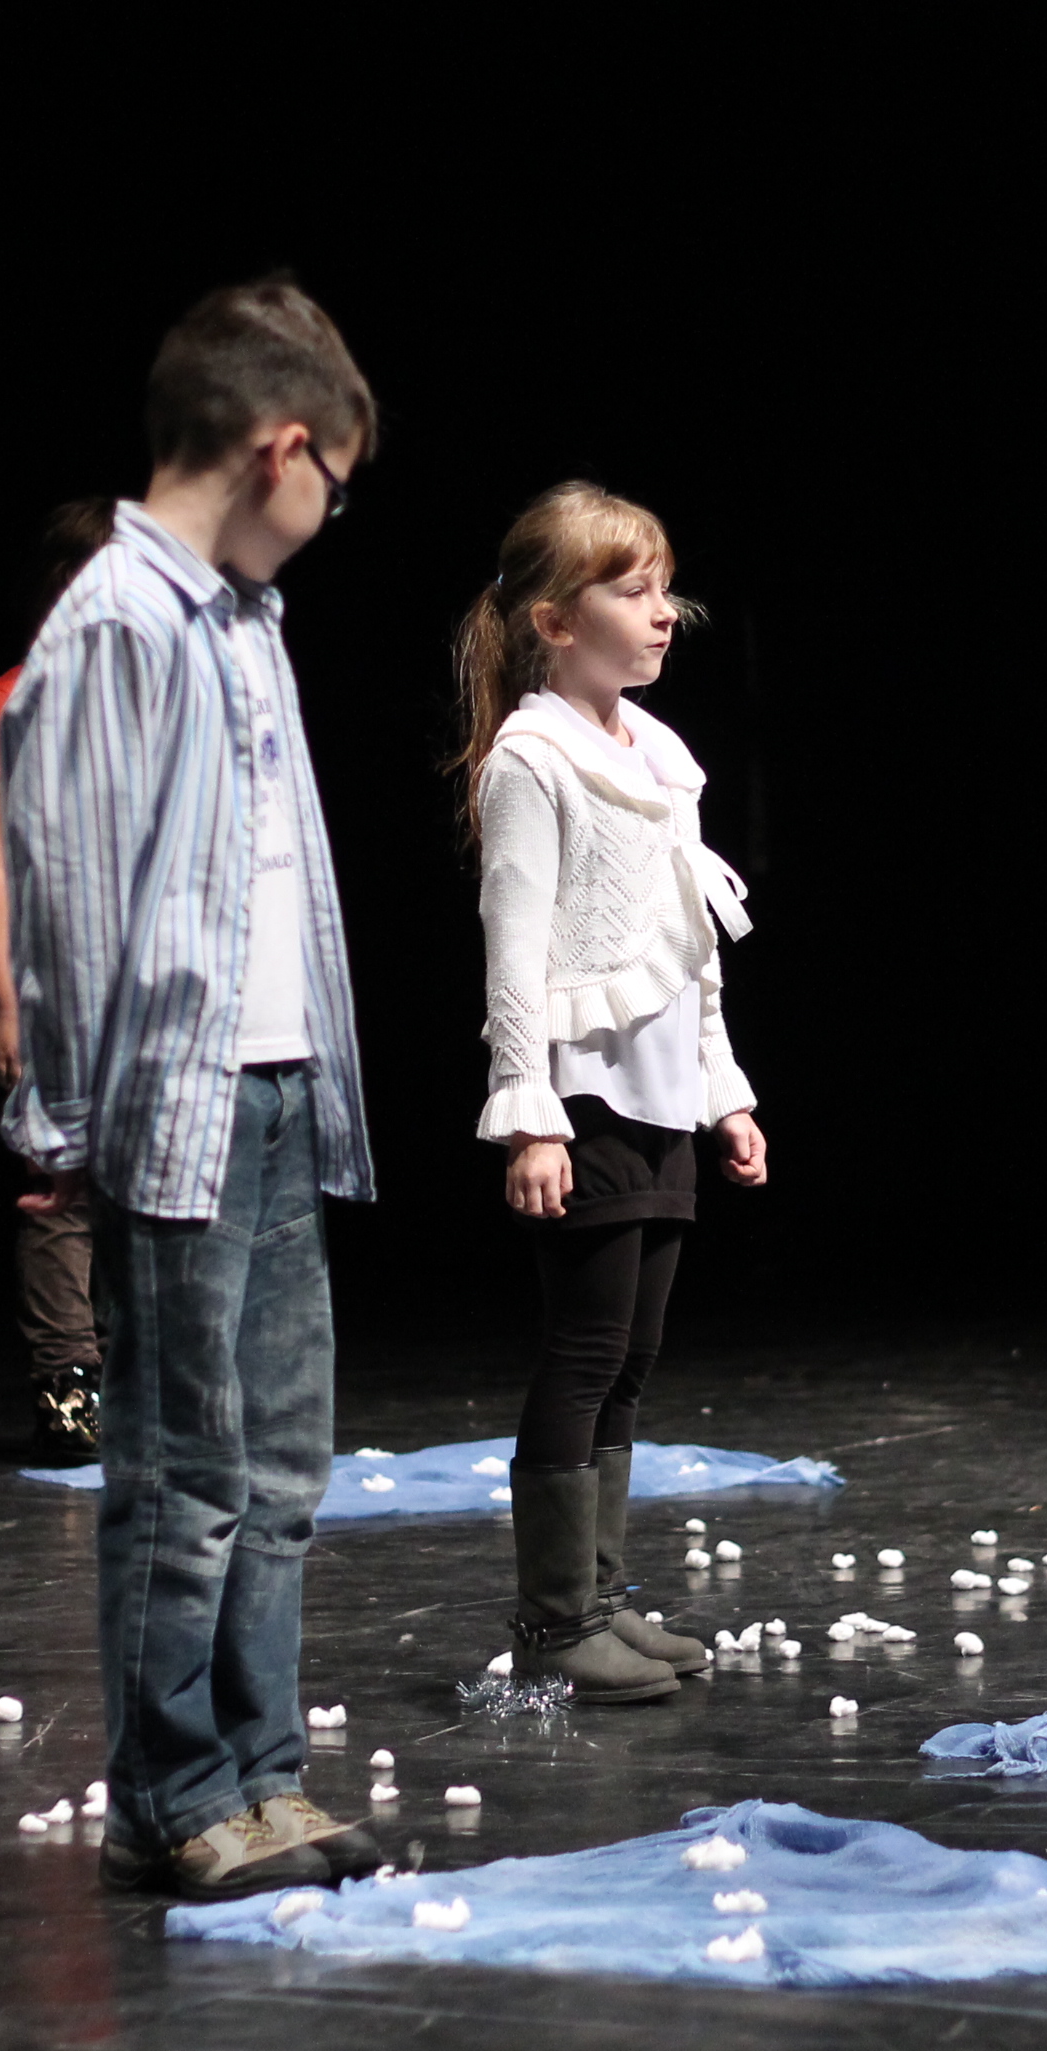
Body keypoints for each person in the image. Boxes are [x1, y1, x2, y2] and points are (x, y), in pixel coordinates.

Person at [0, 278, 382, 1899]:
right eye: (335, 485)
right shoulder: (117, 620)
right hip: (178, 1111)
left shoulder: (243, 620)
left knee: (282, 1467)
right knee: (186, 1475)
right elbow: (71, 891)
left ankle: (263, 1770)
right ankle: (170, 1791)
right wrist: (63, 1121)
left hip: (279, 1087)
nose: (328, 518)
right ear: (282, 450)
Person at [451, 484, 769, 1705]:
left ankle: (597, 1595)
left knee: (632, 1356)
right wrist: (529, 1110)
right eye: (631, 591)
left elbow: (692, 944)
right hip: (583, 1093)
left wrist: (724, 1091)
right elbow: (514, 947)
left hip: (662, 1091)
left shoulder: (660, 755)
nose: (662, 612)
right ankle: (552, 1622)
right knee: (584, 1351)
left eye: (663, 589)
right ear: (554, 619)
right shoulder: (533, 761)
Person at [0, 500, 116, 1459]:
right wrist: (8, 1001)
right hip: (62, 988)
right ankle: (68, 1391)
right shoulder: (6, 708)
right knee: (66, 1188)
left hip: (158, 988)